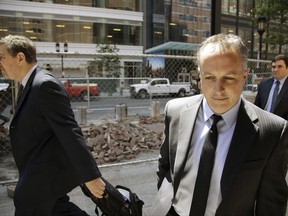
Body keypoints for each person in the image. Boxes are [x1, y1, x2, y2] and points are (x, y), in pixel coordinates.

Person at [151, 33, 288, 216]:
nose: (218, 89)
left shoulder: (272, 131)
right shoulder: (175, 111)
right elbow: (166, 168)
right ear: (199, 76)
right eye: (209, 77)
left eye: (229, 78)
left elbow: (271, 207)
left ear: (245, 76)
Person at [0, 35, 105, 216]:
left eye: (1, 57)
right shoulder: (29, 84)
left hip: (41, 181)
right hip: (39, 180)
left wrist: (91, 177)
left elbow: (70, 132)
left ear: (20, 57)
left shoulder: (44, 85)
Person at [254, 54, 288, 119]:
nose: (275, 69)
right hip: (263, 123)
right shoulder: (264, 84)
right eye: (273, 67)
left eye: (280, 66)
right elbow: (256, 107)